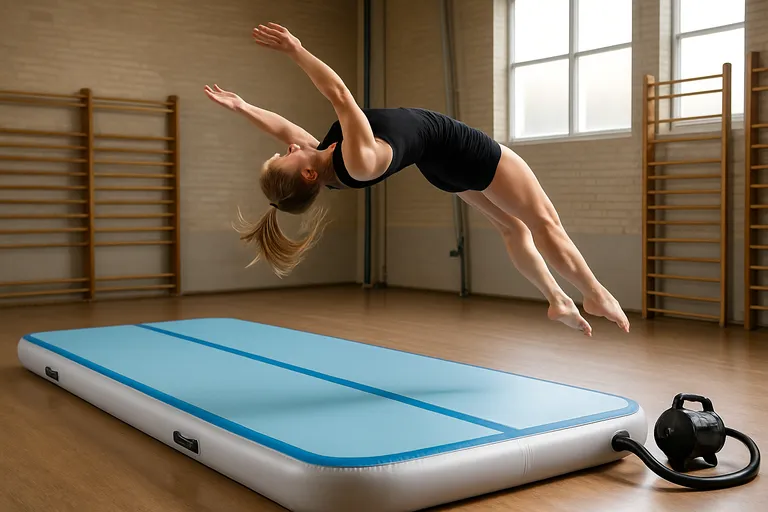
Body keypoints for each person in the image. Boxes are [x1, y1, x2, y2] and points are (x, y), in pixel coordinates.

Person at [204, 22, 630, 336]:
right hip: (464, 152)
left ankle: (557, 300)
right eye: (287, 158)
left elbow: (283, 129)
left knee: (511, 227)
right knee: (543, 222)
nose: (291, 147)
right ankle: (593, 292)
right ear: (309, 175)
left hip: (441, 168)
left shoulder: (327, 162)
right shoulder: (358, 157)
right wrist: (297, 49)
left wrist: (243, 107)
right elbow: (338, 94)